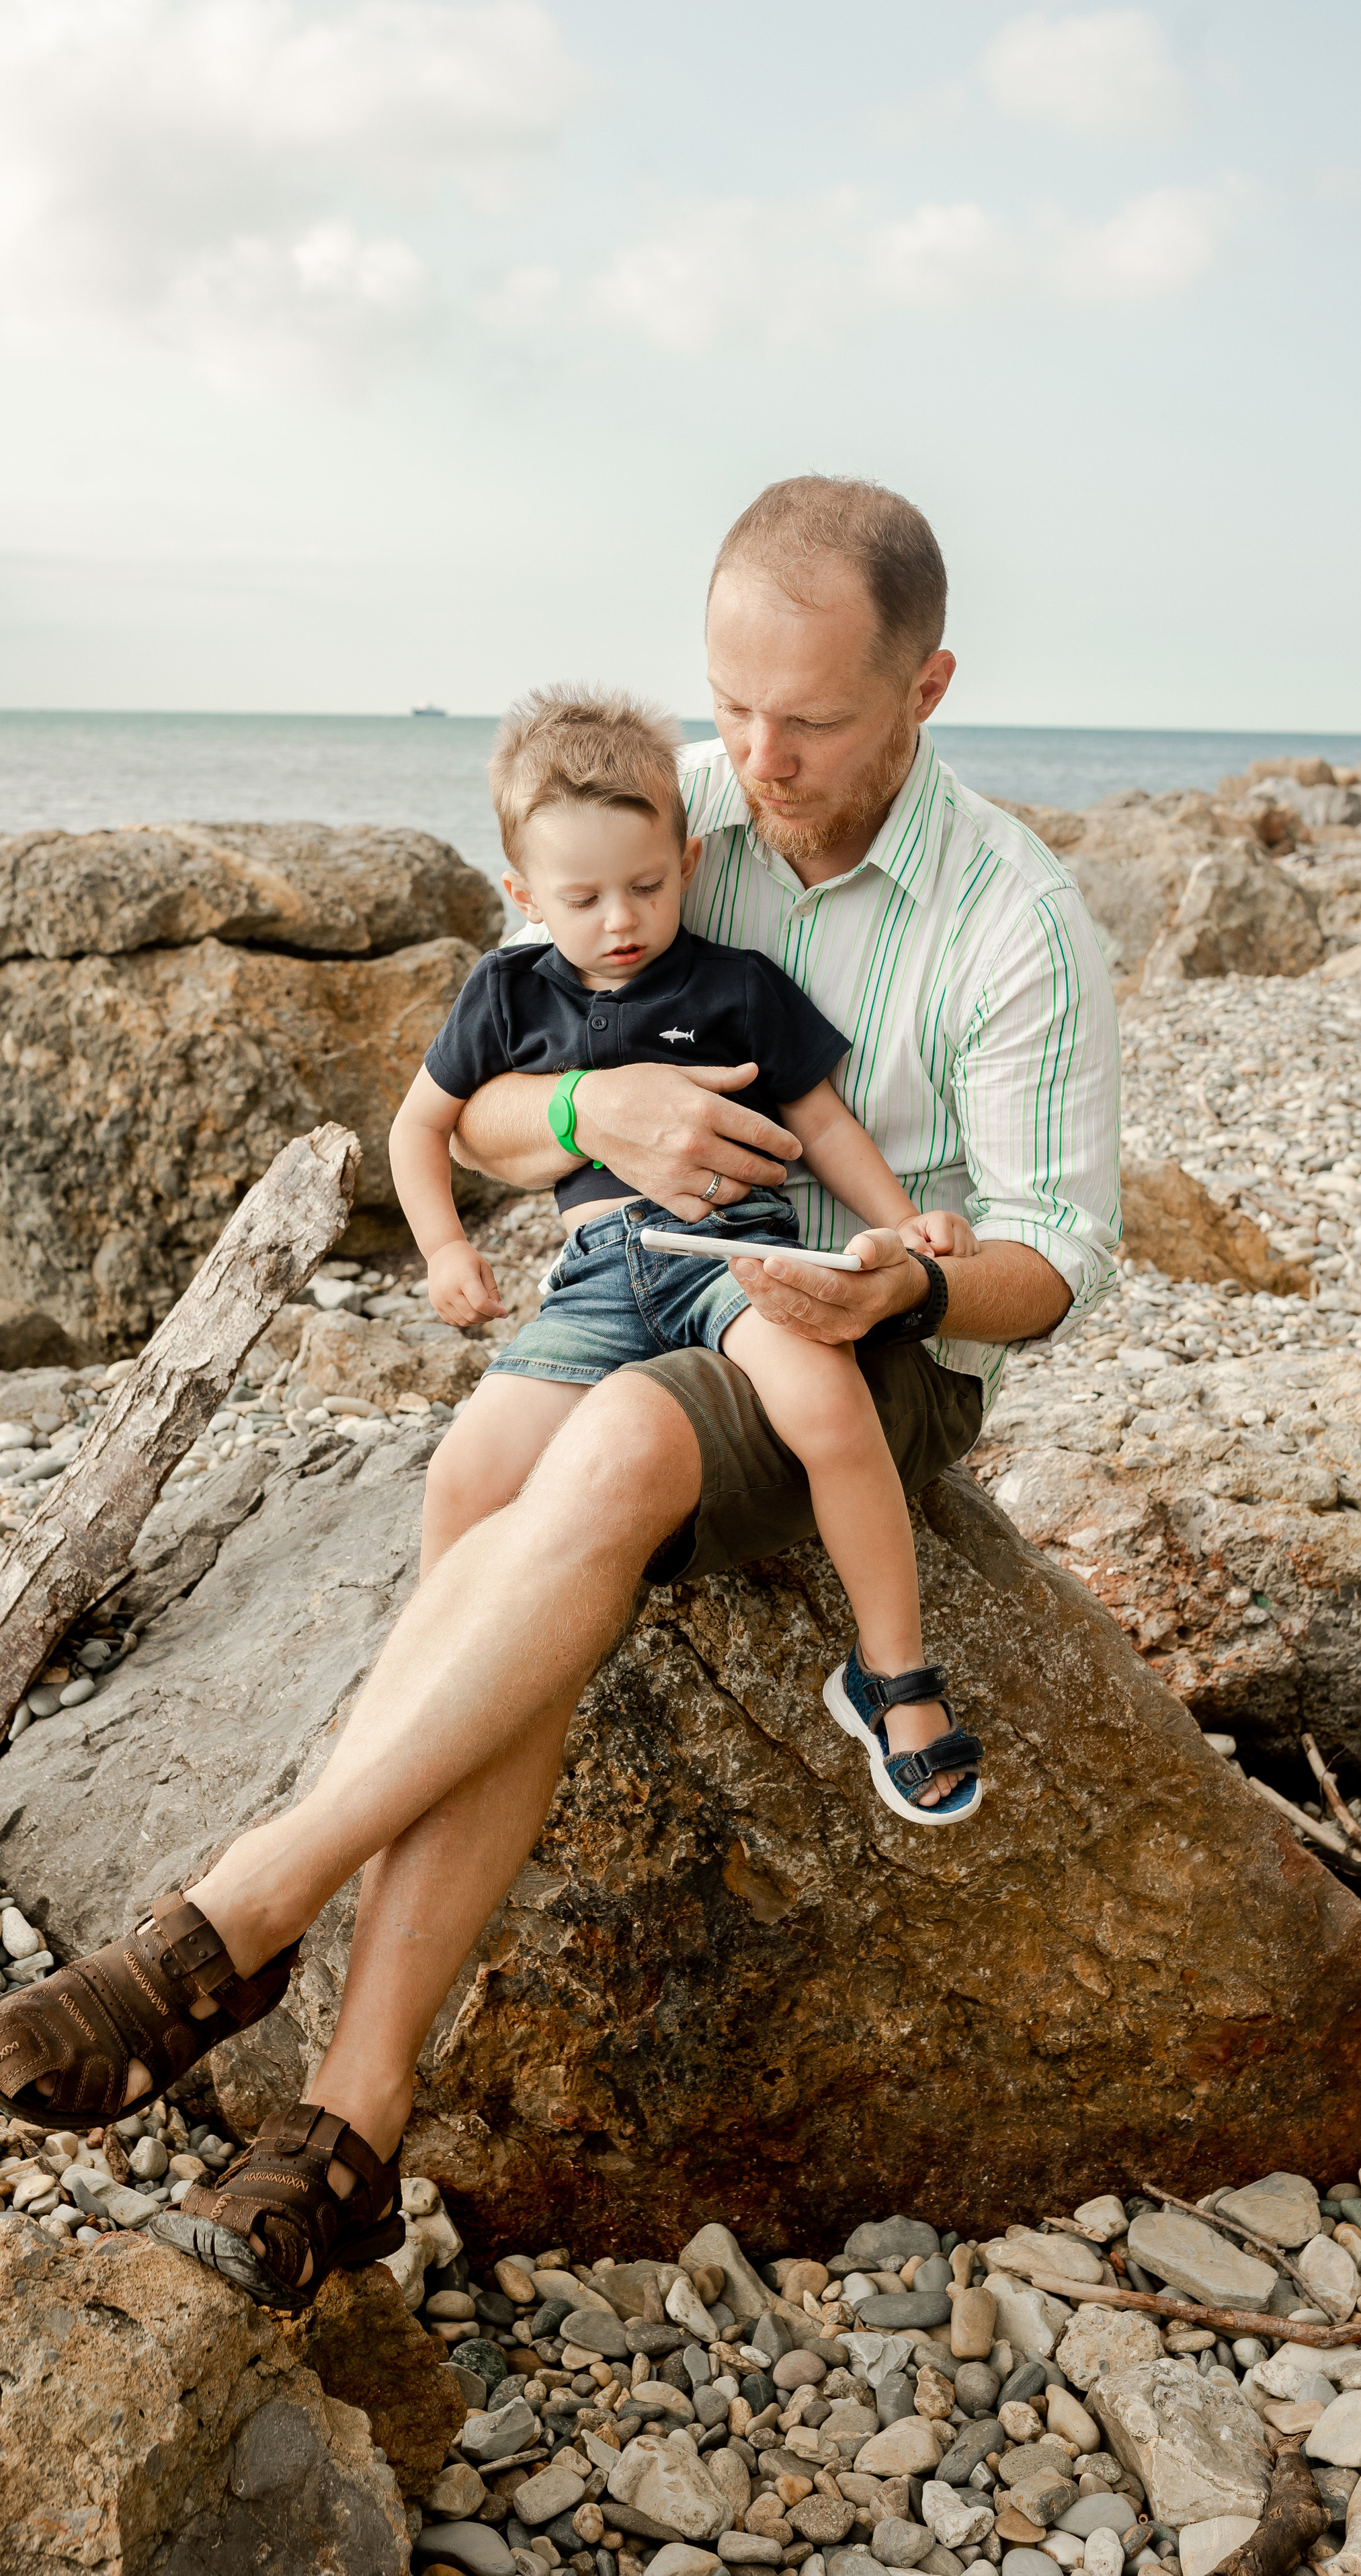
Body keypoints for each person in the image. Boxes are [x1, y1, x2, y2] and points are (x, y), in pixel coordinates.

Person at [0, 475, 1121, 2312]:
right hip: (628, 1280)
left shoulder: (1013, 921)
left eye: (808, 718)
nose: (757, 754)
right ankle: (346, 2139)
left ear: (930, 686)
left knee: (614, 1449)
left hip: (862, 1337)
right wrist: (598, 1115)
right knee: (472, 1502)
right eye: (730, 703)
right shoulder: (673, 816)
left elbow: (1058, 1258)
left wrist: (904, 1270)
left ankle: (241, 1914)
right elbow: (489, 1096)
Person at [392, 684, 987, 1826]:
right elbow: (422, 1124)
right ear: (523, 895)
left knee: (830, 1409)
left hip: (731, 1258)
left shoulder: (736, 987)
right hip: (595, 1276)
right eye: (582, 897)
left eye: (648, 885)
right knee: (468, 1472)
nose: (621, 917)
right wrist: (444, 1250)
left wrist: (902, 1219)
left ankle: (894, 1674)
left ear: (691, 859)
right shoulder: (506, 993)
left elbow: (821, 1122)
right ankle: (433, 1696)